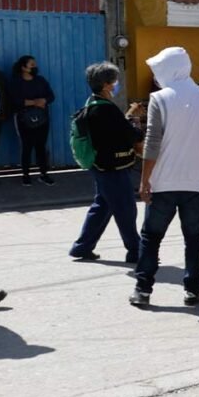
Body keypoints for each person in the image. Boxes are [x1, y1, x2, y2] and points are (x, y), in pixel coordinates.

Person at [129, 47, 199, 307]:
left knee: (151, 237)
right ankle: (193, 291)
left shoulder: (160, 98)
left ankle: (142, 290)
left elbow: (152, 141)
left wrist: (144, 179)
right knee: (194, 238)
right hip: (198, 181)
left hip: (164, 182)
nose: (157, 76)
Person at [69, 62, 144, 262]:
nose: (116, 84)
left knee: (102, 205)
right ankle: (136, 250)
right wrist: (136, 122)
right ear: (106, 85)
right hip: (113, 167)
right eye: (114, 81)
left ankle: (82, 247)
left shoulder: (92, 104)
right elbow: (130, 135)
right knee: (125, 207)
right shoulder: (106, 110)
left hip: (100, 165)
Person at [8, 55, 55, 186]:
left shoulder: (40, 80)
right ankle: (26, 175)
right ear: (23, 67)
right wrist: (32, 102)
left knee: (41, 146)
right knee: (26, 147)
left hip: (42, 118)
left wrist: (44, 100)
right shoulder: (15, 82)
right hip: (24, 119)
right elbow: (14, 100)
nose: (35, 67)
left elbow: (51, 96)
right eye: (31, 65)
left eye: (35, 64)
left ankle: (44, 174)